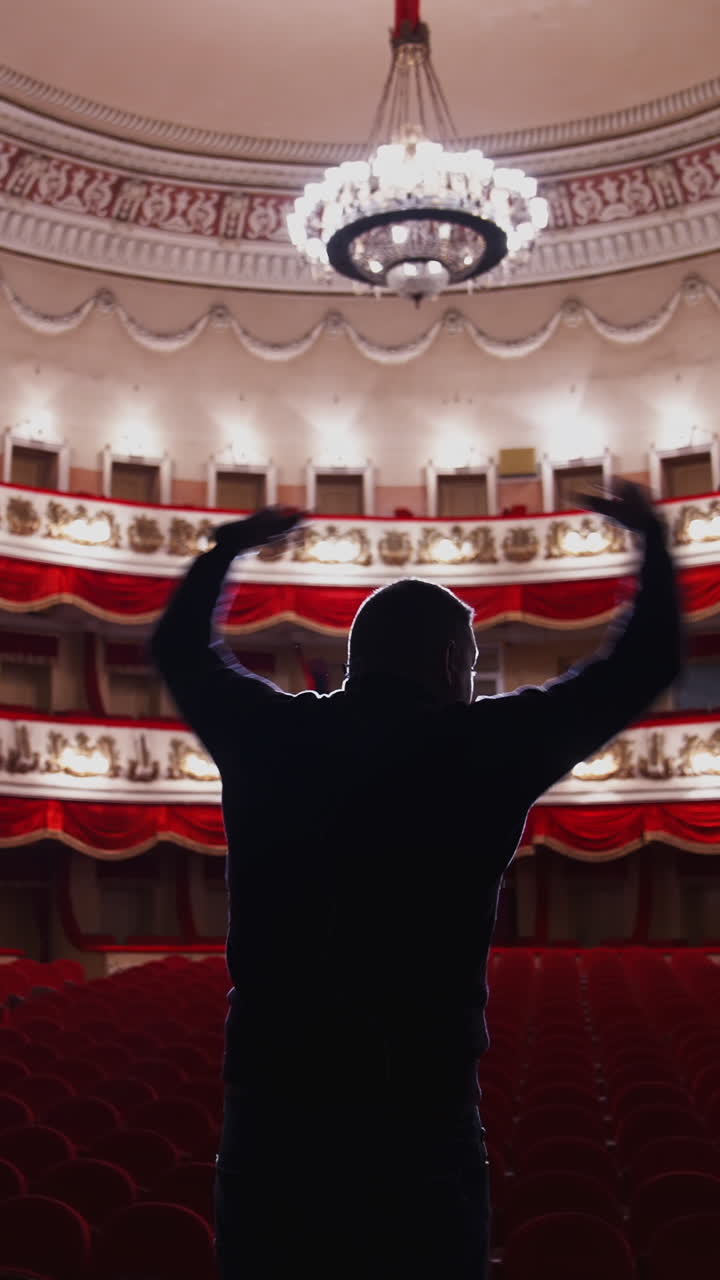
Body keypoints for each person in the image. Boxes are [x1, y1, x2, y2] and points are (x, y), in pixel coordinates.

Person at [151, 480, 681, 1279]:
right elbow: (639, 668)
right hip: (417, 1114)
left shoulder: (269, 734)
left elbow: (180, 652)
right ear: (450, 661)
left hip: (274, 1111)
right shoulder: (482, 748)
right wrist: (652, 542)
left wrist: (223, 551)